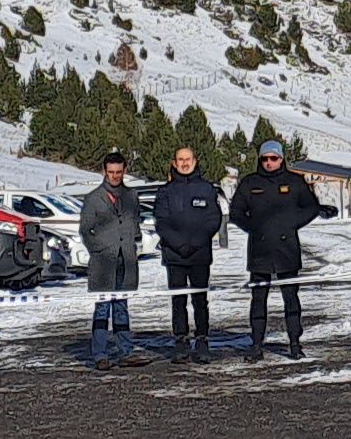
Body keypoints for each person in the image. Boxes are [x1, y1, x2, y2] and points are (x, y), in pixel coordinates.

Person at [226, 141, 336, 361]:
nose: (269, 163)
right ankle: (256, 345)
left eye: (273, 158)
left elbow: (311, 207)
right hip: (260, 249)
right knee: (258, 299)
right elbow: (236, 211)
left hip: (287, 249)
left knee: (291, 298)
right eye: (265, 159)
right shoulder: (250, 182)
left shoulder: (294, 182)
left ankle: (295, 344)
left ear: (281, 159)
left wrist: (291, 224)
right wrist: (253, 227)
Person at [151, 145, 226, 362]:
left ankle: (202, 340)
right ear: (174, 163)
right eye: (180, 159)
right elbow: (162, 222)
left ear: (195, 161)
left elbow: (213, 219)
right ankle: (181, 341)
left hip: (199, 254)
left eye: (188, 159)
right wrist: (178, 244)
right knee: (178, 300)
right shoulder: (165, 192)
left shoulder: (207, 189)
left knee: (200, 300)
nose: (184, 163)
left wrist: (196, 242)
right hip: (175, 255)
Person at [77, 152, 145, 369]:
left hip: (126, 261)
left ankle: (126, 352)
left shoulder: (131, 196)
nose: (115, 176)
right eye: (111, 172)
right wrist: (99, 249)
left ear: (125, 171)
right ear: (104, 172)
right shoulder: (93, 198)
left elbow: (135, 222)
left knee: (122, 307)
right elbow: (85, 230)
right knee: (102, 309)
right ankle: (100, 355)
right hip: (103, 264)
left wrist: (134, 241)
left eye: (119, 172)